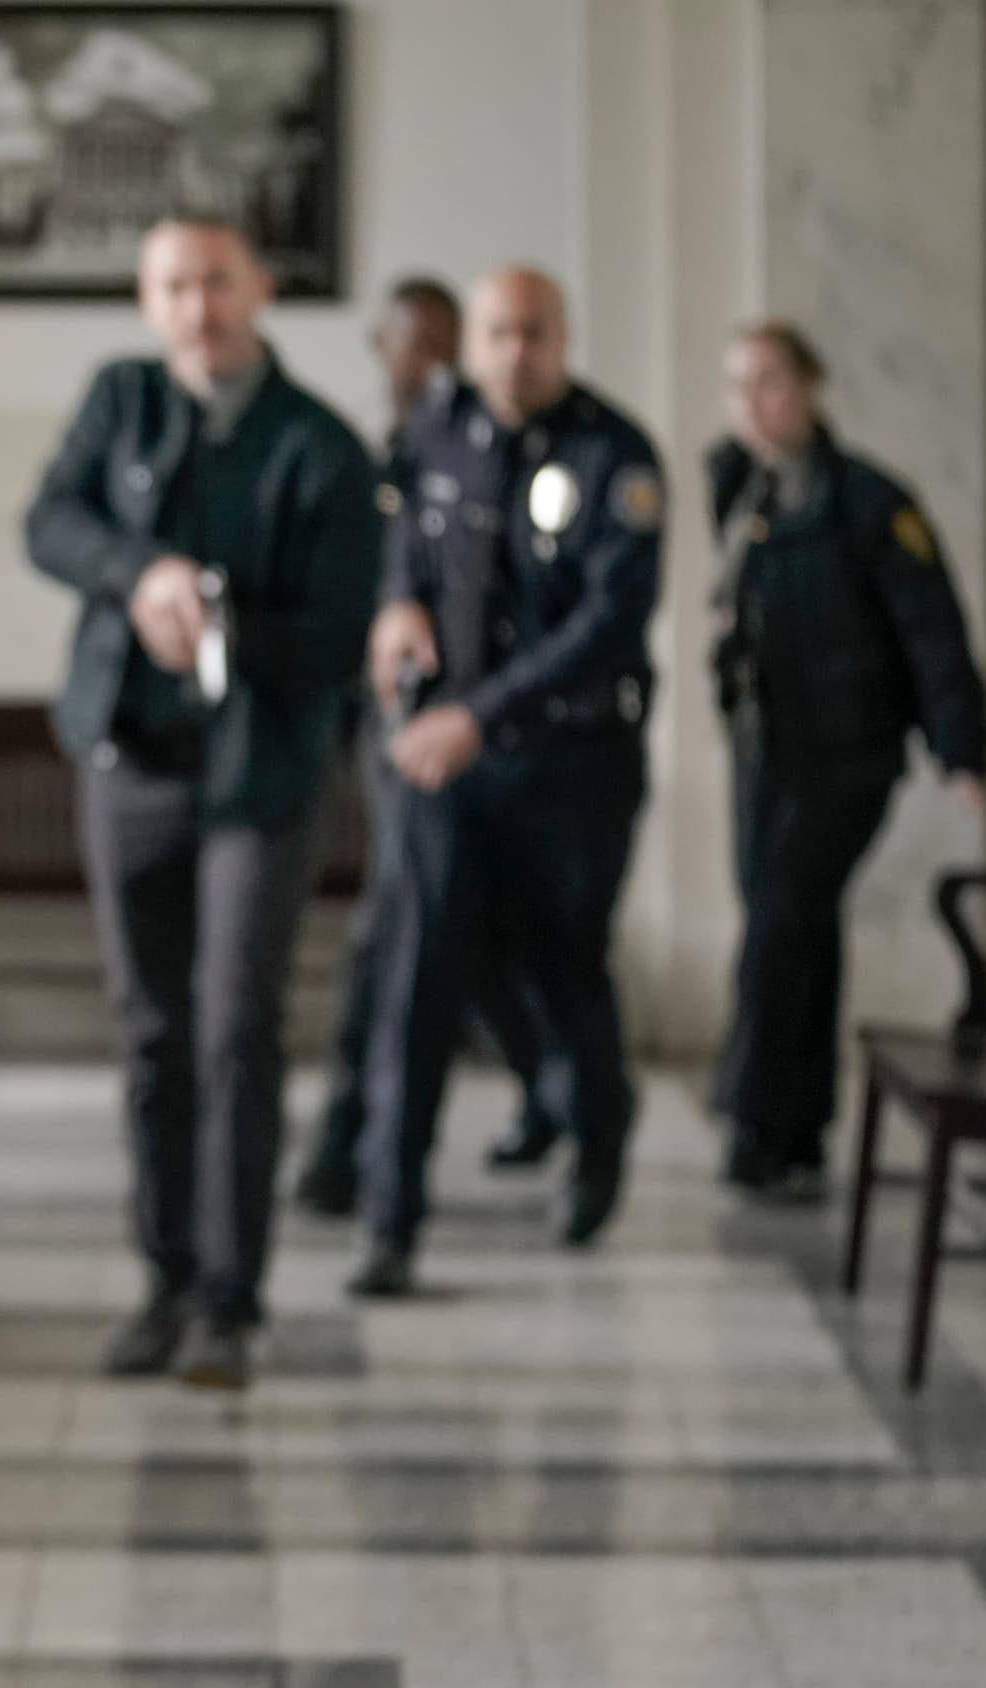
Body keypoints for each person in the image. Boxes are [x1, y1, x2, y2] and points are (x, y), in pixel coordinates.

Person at [23, 214, 381, 1387]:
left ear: (260, 287)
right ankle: (166, 1281)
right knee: (150, 1030)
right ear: (147, 298)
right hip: (129, 763)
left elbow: (339, 634)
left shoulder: (322, 446)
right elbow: (50, 523)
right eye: (174, 285)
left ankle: (230, 1298)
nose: (197, 306)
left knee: (235, 1026)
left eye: (217, 281)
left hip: (256, 780)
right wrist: (144, 575)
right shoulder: (119, 399)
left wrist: (225, 618)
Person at [351, 267, 660, 1297]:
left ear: (563, 336)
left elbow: (607, 624)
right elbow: (403, 539)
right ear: (471, 342)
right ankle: (389, 1220)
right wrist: (397, 604)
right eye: (497, 333)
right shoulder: (438, 432)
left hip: (571, 762)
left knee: (566, 967)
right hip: (444, 760)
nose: (514, 352)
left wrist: (479, 716)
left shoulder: (616, 455)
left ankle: (599, 1129)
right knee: (416, 982)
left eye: (534, 332)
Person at [295, 277, 567, 1216]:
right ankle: (359, 1145)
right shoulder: (379, 456)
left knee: (435, 931)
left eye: (446, 343)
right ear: (383, 347)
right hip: (393, 731)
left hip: (481, 727)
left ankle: (362, 1144)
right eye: (415, 342)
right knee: (411, 927)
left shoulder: (485, 451)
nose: (432, 362)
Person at [706, 320, 986, 1202]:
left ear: (811, 384)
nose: (752, 404)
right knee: (797, 929)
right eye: (737, 386)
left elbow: (932, 629)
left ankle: (751, 1119)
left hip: (846, 757)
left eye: (769, 382)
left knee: (779, 923)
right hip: (765, 751)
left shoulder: (869, 502)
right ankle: (799, 1130)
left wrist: (962, 749)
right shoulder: (739, 487)